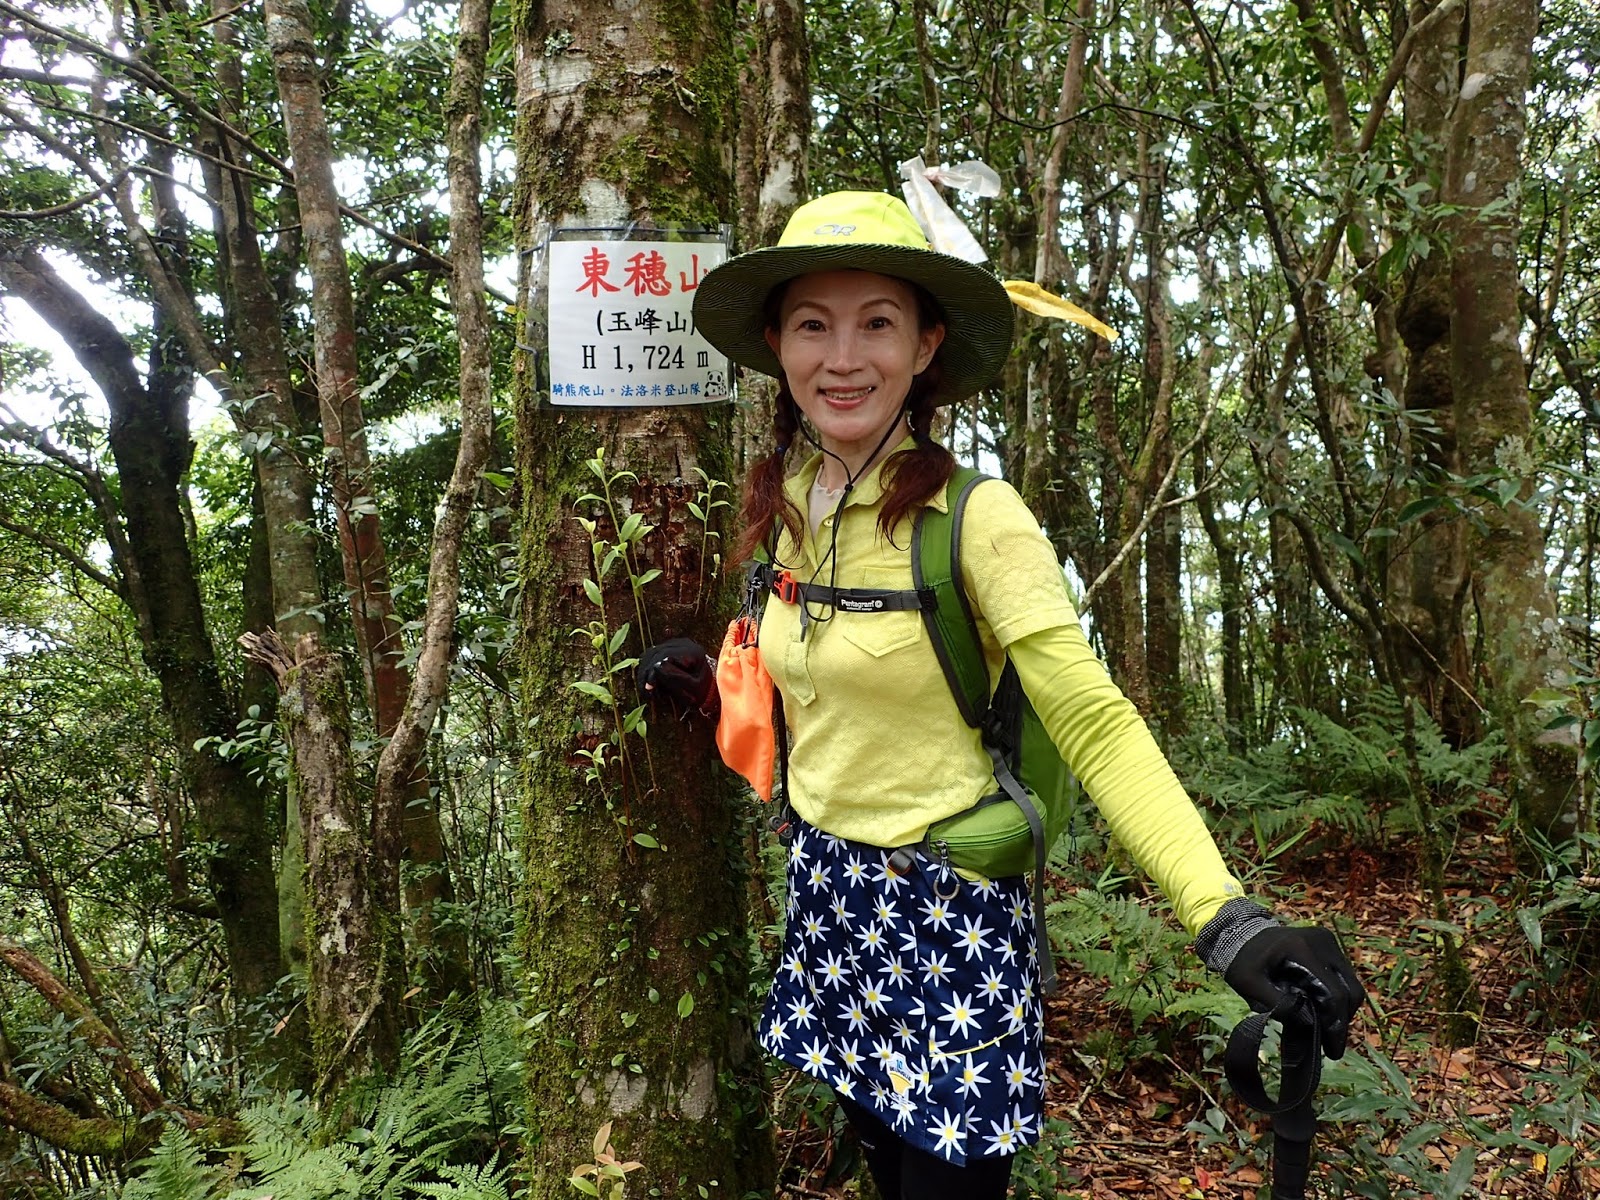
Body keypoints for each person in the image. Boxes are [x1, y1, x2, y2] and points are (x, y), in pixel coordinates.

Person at [639, 190, 1363, 1197]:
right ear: (776, 344)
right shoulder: (789, 507)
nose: (842, 357)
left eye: (876, 323)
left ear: (925, 345)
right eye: (812, 325)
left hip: (948, 923)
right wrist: (716, 702)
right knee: (885, 1172)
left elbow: (1096, 725)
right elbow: (831, 707)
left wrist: (1225, 916)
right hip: (829, 903)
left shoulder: (978, 519)